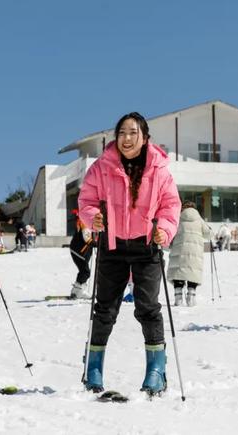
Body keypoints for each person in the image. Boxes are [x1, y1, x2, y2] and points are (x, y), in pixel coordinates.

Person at [78, 111, 181, 396]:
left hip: (147, 246)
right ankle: (94, 366)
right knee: (105, 308)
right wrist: (92, 217)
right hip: (112, 246)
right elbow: (86, 200)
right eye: (122, 132)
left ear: (145, 137)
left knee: (147, 308)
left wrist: (165, 229)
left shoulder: (159, 170)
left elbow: (171, 205)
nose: (126, 138)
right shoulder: (101, 167)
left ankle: (156, 370)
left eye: (133, 133)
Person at [167, 201, 210, 307]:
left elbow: (171, 232)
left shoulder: (178, 218)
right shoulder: (199, 220)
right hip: (195, 252)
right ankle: (191, 295)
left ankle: (178, 297)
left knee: (178, 271)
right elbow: (209, 234)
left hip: (179, 250)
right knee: (192, 272)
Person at [69, 209, 93, 299]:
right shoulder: (84, 224)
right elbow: (87, 239)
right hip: (80, 251)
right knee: (86, 272)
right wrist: (97, 244)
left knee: (83, 271)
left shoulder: (82, 222)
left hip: (77, 250)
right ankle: (80, 292)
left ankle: (75, 292)